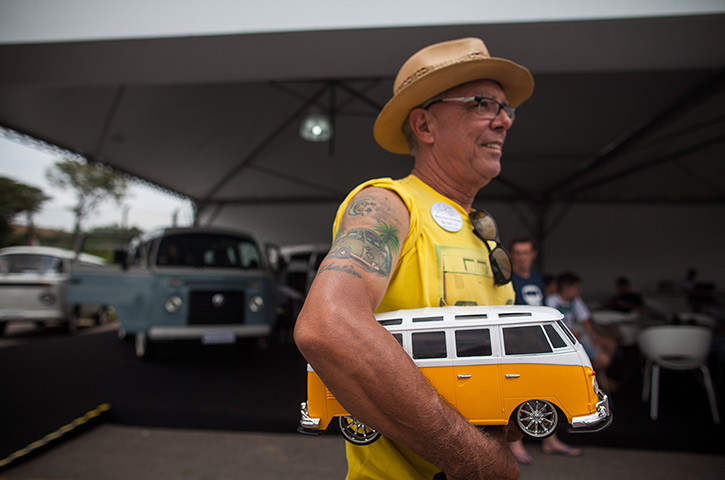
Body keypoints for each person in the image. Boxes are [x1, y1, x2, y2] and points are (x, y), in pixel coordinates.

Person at [294, 37, 534, 480]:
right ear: (424, 125)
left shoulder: (480, 227)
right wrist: (475, 459)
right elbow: (327, 324)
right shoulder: (389, 204)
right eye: (482, 104)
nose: (503, 121)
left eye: (506, 108)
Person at [508, 238, 581, 463]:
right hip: (515, 343)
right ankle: (514, 442)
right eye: (518, 253)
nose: (522, 257)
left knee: (547, 389)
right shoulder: (507, 278)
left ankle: (550, 440)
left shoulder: (539, 278)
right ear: (512, 255)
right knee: (516, 391)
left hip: (539, 342)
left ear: (533, 254)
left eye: (526, 252)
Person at [546, 272, 614, 373]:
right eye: (576, 288)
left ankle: (597, 377)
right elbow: (550, 326)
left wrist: (594, 338)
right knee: (603, 359)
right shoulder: (551, 301)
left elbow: (585, 320)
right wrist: (568, 333)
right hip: (563, 341)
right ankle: (588, 378)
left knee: (610, 344)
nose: (579, 291)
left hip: (578, 336)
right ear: (566, 288)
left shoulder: (575, 300)